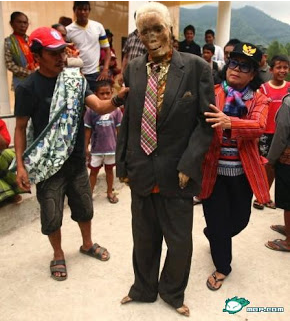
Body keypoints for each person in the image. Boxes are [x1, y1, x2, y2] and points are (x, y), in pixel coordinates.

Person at [116, 2, 215, 317]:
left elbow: (205, 122)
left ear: (171, 30)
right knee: (143, 237)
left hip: (177, 171)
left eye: (157, 29)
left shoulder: (197, 67)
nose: (151, 37)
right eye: (144, 32)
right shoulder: (133, 68)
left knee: (179, 242)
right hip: (141, 169)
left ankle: (172, 292)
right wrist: (123, 164)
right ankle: (143, 288)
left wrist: (189, 163)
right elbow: (130, 120)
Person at [14, 27, 128, 282]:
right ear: (37, 55)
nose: (60, 57)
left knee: (84, 208)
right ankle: (57, 254)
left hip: (76, 160)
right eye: (52, 53)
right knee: (52, 215)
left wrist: (119, 99)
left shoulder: (75, 81)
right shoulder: (27, 88)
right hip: (47, 166)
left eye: (62, 51)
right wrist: (21, 166)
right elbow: (20, 129)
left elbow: (99, 106)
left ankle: (87, 244)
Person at [199, 42, 270, 291]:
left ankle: (216, 236)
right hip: (212, 171)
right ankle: (222, 267)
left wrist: (230, 121)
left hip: (242, 174)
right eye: (233, 63)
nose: (236, 69)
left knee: (240, 221)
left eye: (244, 67)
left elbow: (259, 126)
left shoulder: (259, 99)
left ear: (253, 74)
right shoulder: (213, 92)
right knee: (218, 222)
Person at [254, 55, 290, 210]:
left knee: (277, 167)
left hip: (283, 136)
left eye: (285, 67)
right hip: (266, 133)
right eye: (279, 67)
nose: (282, 70)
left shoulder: (289, 87)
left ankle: (265, 196)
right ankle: (261, 196)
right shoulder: (264, 88)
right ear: (271, 70)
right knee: (266, 165)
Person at [84, 80, 123, 203]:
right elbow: (87, 130)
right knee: (93, 172)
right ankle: (89, 194)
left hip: (111, 148)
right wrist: (86, 147)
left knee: (109, 171)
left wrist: (121, 146)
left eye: (108, 93)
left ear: (112, 93)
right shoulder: (91, 111)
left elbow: (119, 130)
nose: (105, 96)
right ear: (95, 94)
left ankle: (110, 192)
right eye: (102, 93)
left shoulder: (116, 110)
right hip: (96, 149)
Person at [66, 1, 111, 92]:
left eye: (85, 9)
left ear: (89, 11)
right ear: (74, 10)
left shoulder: (98, 27)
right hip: (76, 74)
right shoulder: (68, 30)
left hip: (95, 75)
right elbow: (66, 54)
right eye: (80, 9)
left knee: (96, 104)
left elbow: (107, 51)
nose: (82, 12)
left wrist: (105, 70)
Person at [266, 94, 290, 252]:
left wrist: (272, 158)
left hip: (287, 158)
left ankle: (289, 241)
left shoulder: (288, 102)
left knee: (288, 200)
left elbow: (281, 133)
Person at [4, 11, 36, 90]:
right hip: (20, 83)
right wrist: (29, 73)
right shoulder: (8, 42)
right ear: (11, 24)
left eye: (25, 23)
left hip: (36, 80)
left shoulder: (32, 40)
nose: (23, 25)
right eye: (19, 22)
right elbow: (10, 65)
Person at [119, 12, 147, 86]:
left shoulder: (148, 37)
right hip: (129, 72)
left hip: (142, 73)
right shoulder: (130, 36)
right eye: (137, 18)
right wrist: (121, 73)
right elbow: (125, 56)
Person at [0, 118, 23, 204]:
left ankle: (13, 190)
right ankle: (8, 193)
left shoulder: (0, 123)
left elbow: (3, 145)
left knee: (7, 154)